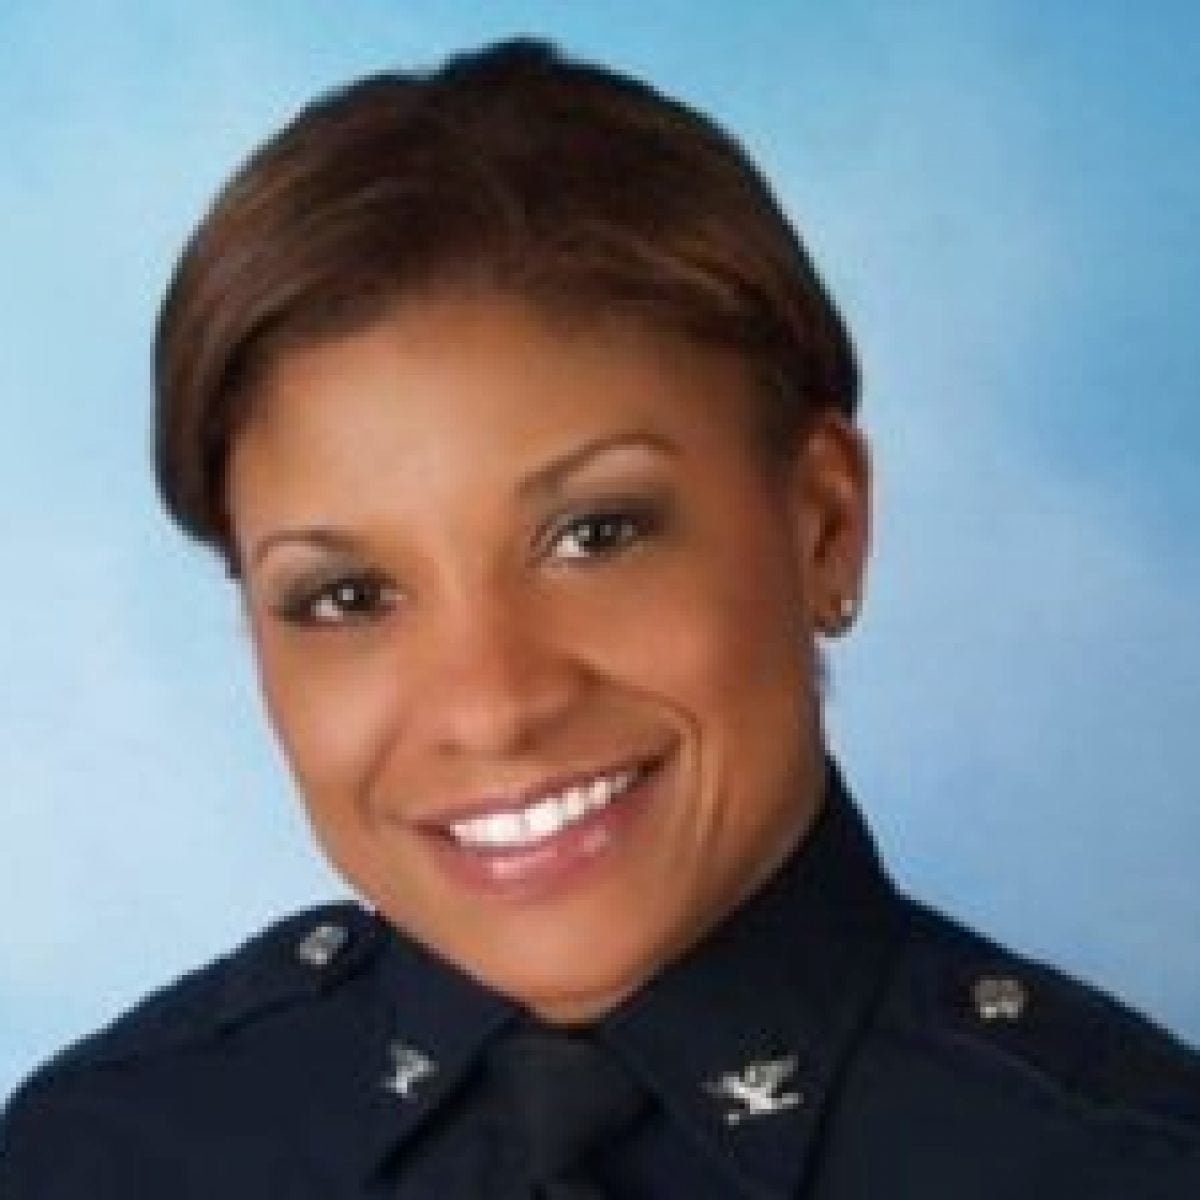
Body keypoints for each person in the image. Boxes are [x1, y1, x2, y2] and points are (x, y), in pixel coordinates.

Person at [2, 36, 1197, 1199]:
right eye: (347, 596)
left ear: (824, 524)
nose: (490, 705)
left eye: (595, 535)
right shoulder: (94, 1157)